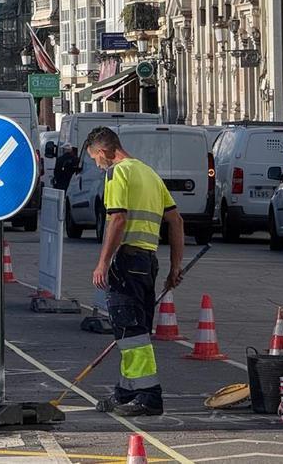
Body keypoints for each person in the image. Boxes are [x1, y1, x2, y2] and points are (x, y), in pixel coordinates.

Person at [84, 126, 184, 417]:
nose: (97, 165)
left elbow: (118, 220)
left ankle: (149, 395)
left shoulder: (117, 174)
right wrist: (174, 266)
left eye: (95, 159)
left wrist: (103, 262)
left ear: (102, 152)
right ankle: (128, 389)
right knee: (136, 330)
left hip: (127, 261)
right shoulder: (149, 173)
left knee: (131, 332)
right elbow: (176, 221)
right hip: (147, 263)